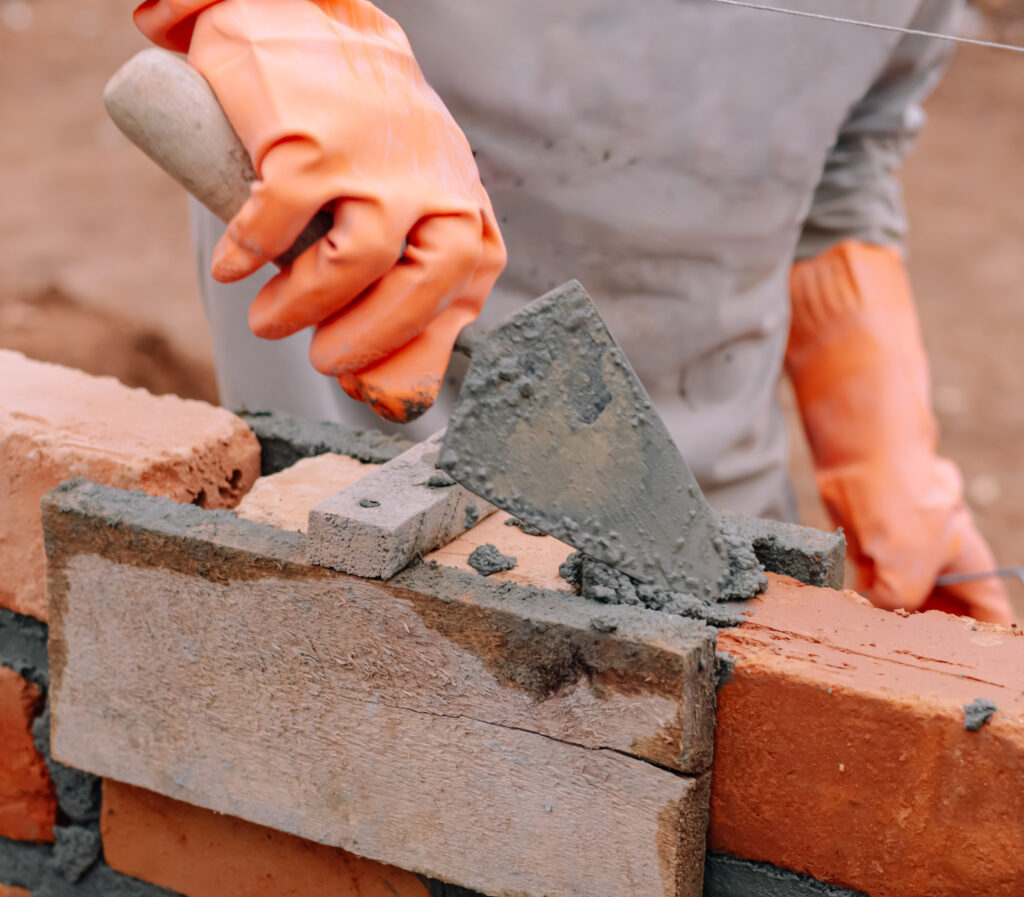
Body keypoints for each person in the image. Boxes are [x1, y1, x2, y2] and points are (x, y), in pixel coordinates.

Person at [133, 0, 1013, 623]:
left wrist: (883, 449)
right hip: (375, 472)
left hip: (702, 506)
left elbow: (849, 156)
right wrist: (304, 28)